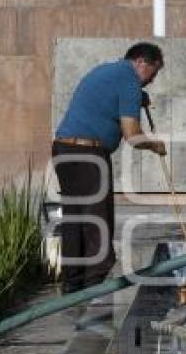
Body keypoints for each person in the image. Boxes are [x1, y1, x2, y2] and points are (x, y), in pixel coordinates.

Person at [52, 42, 167, 293]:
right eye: (154, 72)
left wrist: (137, 98)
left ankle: (72, 285)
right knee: (97, 220)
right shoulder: (129, 81)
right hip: (87, 153)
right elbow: (132, 135)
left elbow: (106, 103)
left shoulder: (109, 71)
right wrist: (155, 146)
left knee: (75, 218)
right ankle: (95, 286)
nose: (152, 80)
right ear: (141, 63)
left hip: (64, 149)